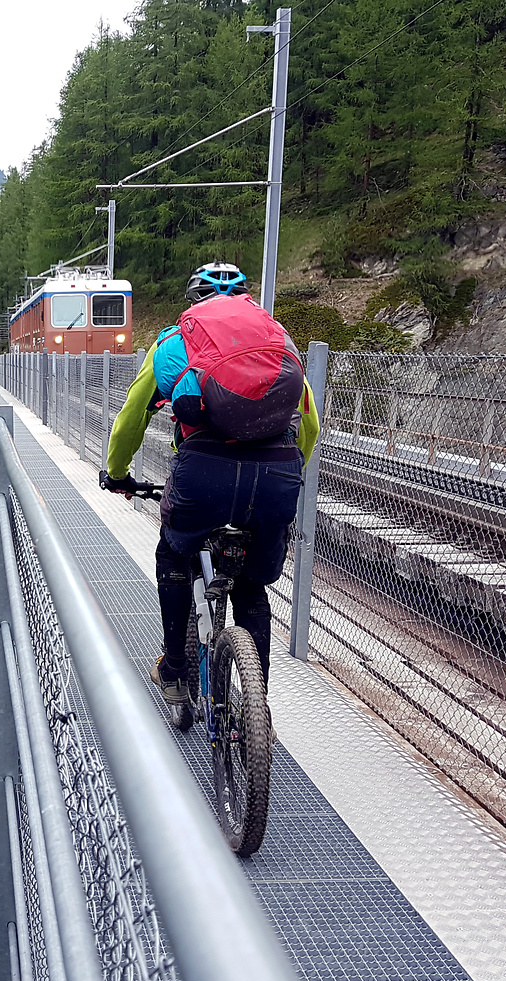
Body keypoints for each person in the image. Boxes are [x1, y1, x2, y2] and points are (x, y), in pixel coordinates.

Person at [100, 262, 319, 706]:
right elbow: (309, 424)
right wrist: (288, 474)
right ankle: (260, 705)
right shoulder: (278, 342)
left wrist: (118, 474)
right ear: (246, 299)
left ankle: (176, 673)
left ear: (194, 301)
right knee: (251, 587)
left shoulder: (171, 343)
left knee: (174, 554)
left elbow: (130, 421)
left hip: (203, 477)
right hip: (275, 476)